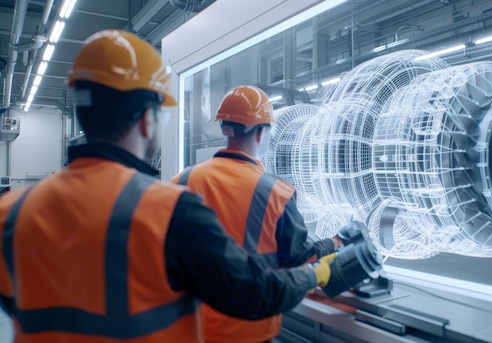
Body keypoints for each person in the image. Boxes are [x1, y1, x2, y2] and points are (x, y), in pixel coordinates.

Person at [0, 30, 338, 342]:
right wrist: (315, 273)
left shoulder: (10, 213)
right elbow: (252, 294)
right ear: (148, 120)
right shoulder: (169, 211)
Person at [172, 85, 360, 343]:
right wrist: (338, 241)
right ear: (262, 133)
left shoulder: (181, 180)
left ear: (225, 129)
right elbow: (301, 259)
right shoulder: (276, 193)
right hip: (246, 331)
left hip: (187, 329)